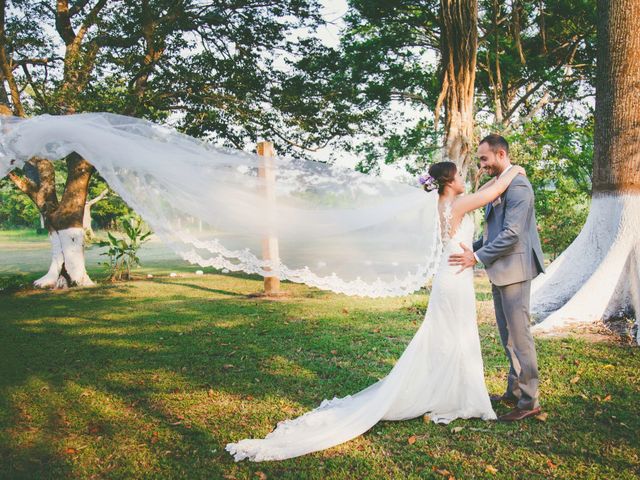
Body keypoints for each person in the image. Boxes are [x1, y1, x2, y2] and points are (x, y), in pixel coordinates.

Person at [226, 159, 527, 462]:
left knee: (450, 337)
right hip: (454, 279)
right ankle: (458, 395)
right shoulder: (458, 204)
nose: (465, 179)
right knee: (454, 336)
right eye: (460, 175)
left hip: (450, 277)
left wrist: (504, 173)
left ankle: (454, 391)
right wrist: (513, 169)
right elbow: (495, 190)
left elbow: (489, 189)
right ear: (449, 181)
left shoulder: (443, 204)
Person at [449, 134, 545, 421]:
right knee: (508, 337)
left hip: (515, 270)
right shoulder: (499, 185)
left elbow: (513, 233)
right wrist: (474, 247)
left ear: (501, 154)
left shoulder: (519, 187)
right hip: (499, 270)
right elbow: (492, 233)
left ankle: (529, 402)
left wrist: (476, 258)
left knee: (520, 336)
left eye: (484, 158)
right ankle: (514, 391)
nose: (482, 164)